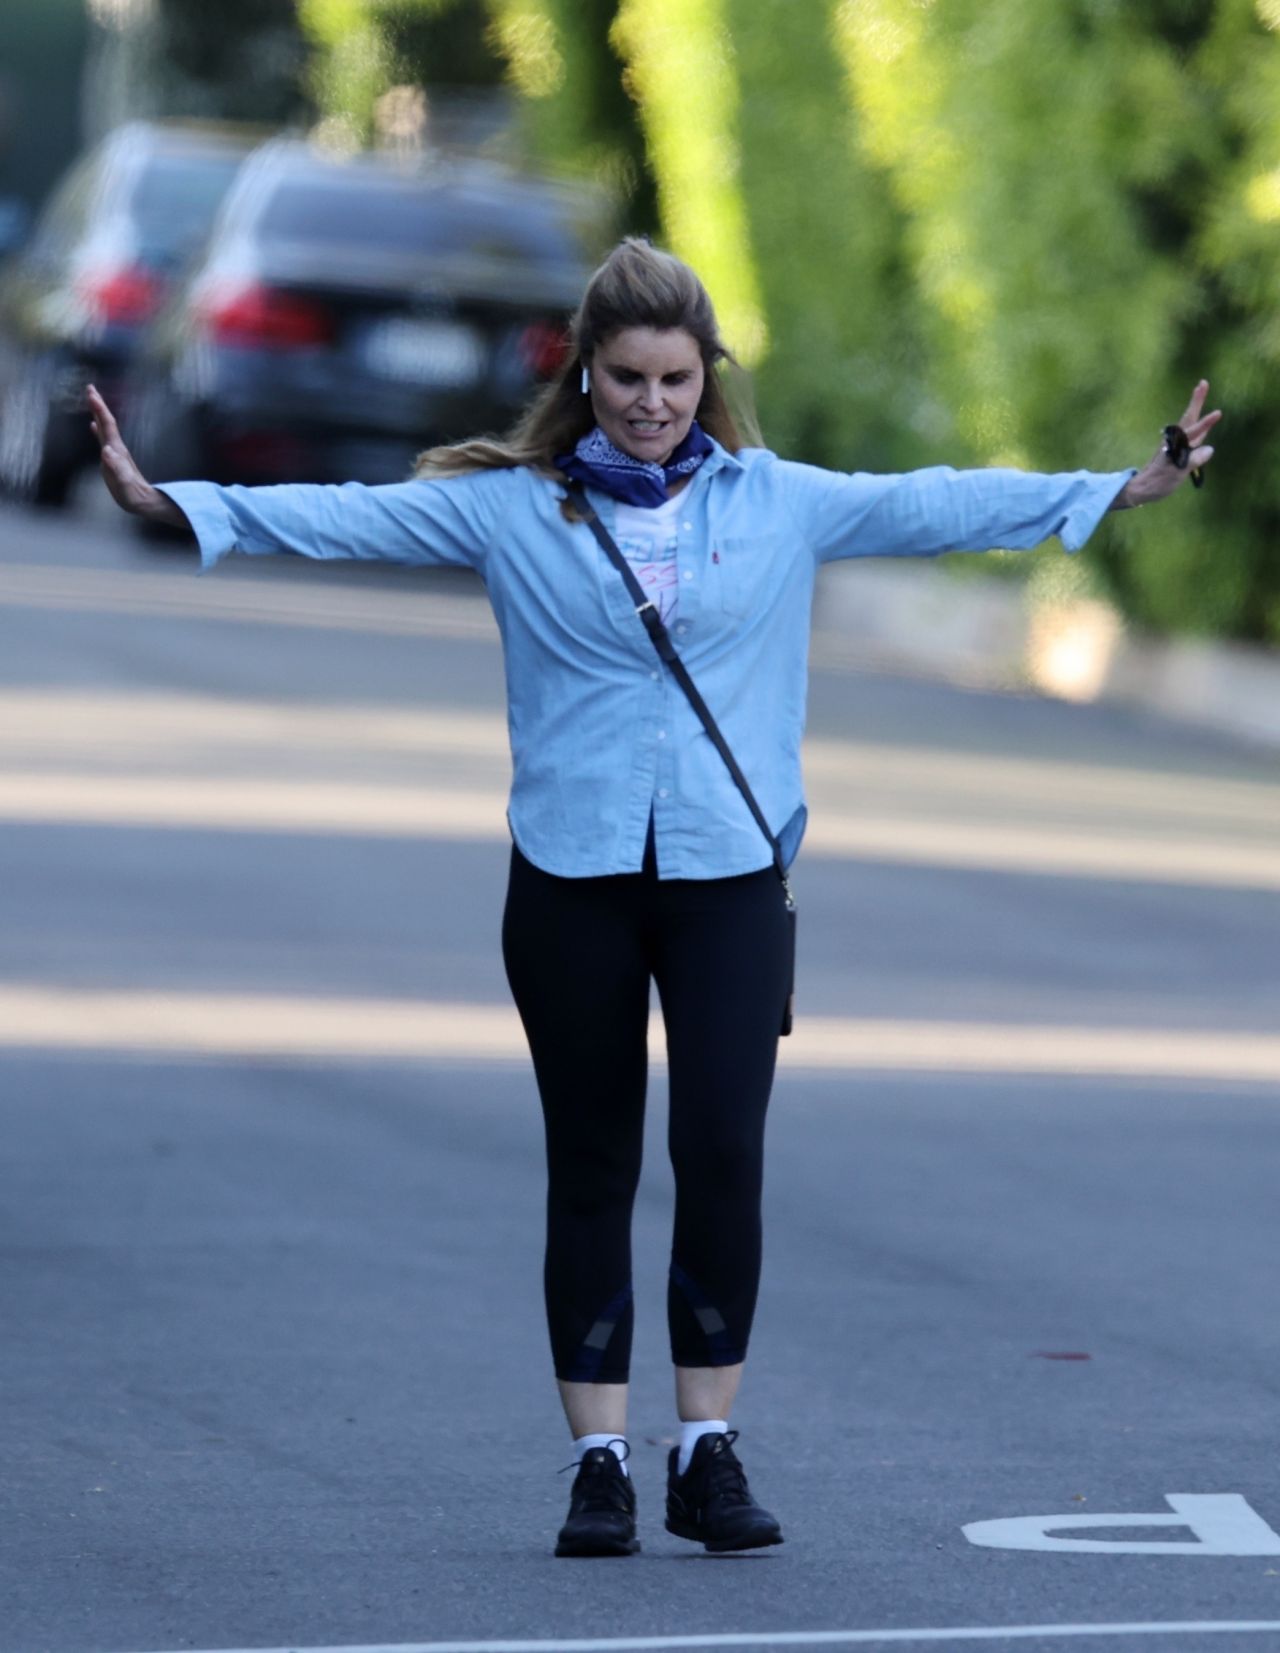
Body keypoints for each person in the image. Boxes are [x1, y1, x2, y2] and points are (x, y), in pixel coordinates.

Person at [88, 237, 1220, 1559]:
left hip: (729, 876)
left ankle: (708, 1445)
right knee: (594, 1165)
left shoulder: (777, 501)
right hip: (570, 877)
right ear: (587, 372)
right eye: (627, 377)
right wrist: (167, 499)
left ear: (708, 375)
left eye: (676, 378)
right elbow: (338, 512)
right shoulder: (511, 506)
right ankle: (598, 1463)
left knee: (725, 1156)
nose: (651, 403)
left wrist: (1121, 489)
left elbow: (936, 501)